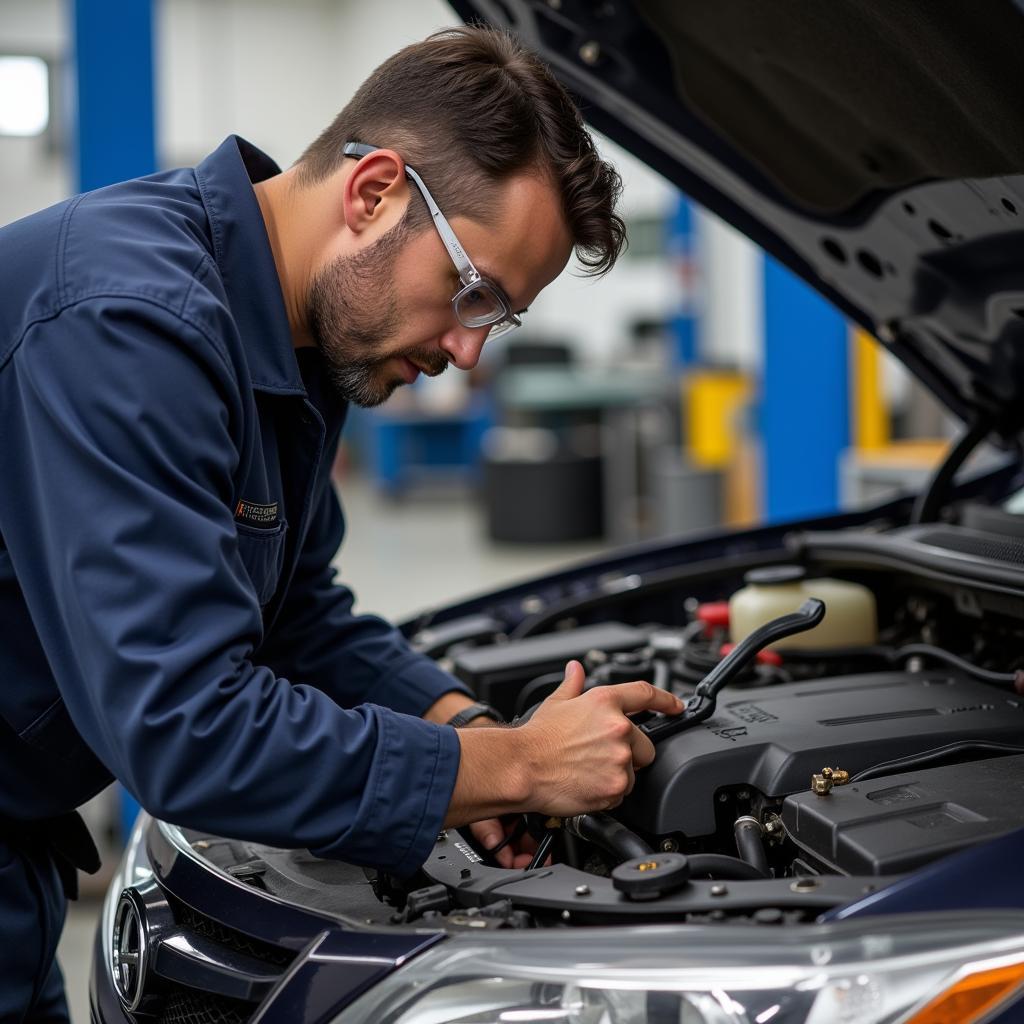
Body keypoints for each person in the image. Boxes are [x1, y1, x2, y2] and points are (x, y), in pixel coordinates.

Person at [0, 25, 682, 1019]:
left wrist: (469, 728)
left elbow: (295, 617)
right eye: (472, 292)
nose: (468, 351)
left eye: (498, 318)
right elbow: (186, 729)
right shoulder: (127, 323)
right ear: (374, 193)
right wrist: (514, 765)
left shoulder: (291, 342)